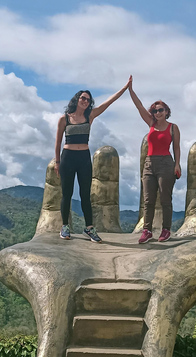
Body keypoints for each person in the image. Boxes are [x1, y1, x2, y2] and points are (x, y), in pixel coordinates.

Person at [54, 76, 132, 242]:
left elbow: (109, 102)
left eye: (88, 100)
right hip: (67, 157)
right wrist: (57, 161)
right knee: (66, 194)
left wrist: (125, 88)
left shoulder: (90, 116)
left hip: (84, 158)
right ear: (77, 99)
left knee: (85, 195)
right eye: (83, 98)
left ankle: (89, 228)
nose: (85, 101)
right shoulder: (65, 119)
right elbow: (58, 141)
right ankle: (65, 227)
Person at [127, 81, 181, 243]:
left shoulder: (173, 127)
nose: (157, 113)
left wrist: (177, 164)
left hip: (166, 163)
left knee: (165, 199)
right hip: (149, 164)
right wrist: (130, 90)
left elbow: (177, 148)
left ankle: (166, 230)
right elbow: (139, 106)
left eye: (160, 110)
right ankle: (147, 231)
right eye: (155, 110)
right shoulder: (151, 124)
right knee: (148, 200)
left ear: (166, 111)